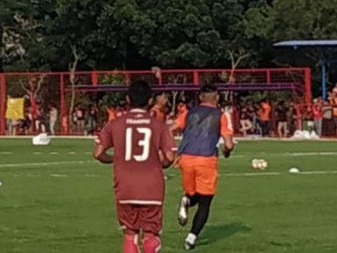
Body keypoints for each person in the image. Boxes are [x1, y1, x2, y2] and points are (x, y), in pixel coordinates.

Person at [93, 80, 176, 253]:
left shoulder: (114, 124)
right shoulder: (159, 126)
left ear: (128, 99)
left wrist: (114, 159)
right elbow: (169, 157)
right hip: (152, 186)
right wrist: (157, 163)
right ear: (150, 101)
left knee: (130, 234)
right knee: (151, 236)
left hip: (125, 186)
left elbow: (98, 153)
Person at [175, 83, 235, 251]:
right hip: (206, 159)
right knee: (205, 202)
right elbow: (229, 144)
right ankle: (191, 238)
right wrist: (227, 152)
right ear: (217, 97)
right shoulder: (221, 115)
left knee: (192, 194)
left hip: (185, 158)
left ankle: (186, 200)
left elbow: (170, 127)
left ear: (200, 97)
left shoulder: (189, 112)